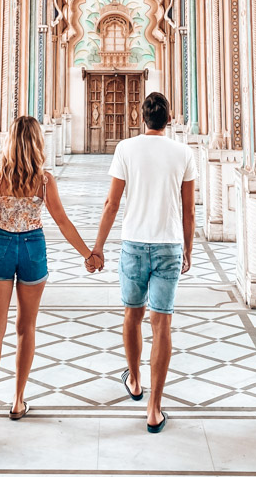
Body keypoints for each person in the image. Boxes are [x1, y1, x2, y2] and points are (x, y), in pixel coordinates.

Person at [0, 115, 102, 447]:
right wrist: (88, 254)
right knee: (25, 327)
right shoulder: (44, 182)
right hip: (32, 248)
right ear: (36, 143)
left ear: (11, 142)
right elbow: (62, 221)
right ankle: (17, 400)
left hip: (0, 248)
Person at [88, 92, 196, 434]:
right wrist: (189, 251)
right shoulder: (183, 153)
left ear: (142, 118)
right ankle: (153, 409)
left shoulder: (126, 148)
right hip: (169, 244)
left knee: (132, 315)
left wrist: (98, 247)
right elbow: (190, 211)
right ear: (169, 118)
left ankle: (135, 380)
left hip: (134, 244)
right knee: (161, 325)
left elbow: (111, 203)